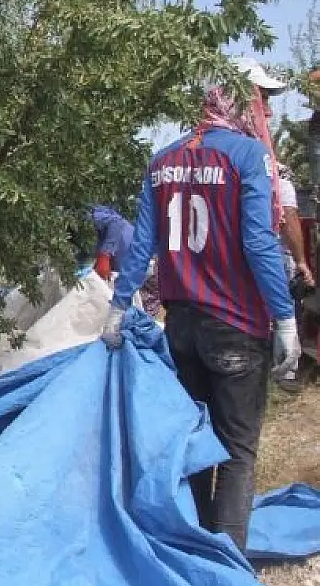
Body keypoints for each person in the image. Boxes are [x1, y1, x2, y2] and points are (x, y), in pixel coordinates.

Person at [101, 60, 300, 552]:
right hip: (235, 325)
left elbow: (143, 238)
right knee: (237, 449)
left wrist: (118, 307)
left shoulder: (163, 158)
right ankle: (226, 561)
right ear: (242, 99)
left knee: (197, 442)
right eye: (264, 99)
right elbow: (258, 241)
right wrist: (285, 316)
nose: (269, 112)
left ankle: (197, 544)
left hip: (182, 326)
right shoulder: (247, 155)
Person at [88, 205, 133, 281]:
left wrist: (104, 255)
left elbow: (116, 222)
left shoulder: (79, 216)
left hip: (139, 251)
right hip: (121, 271)